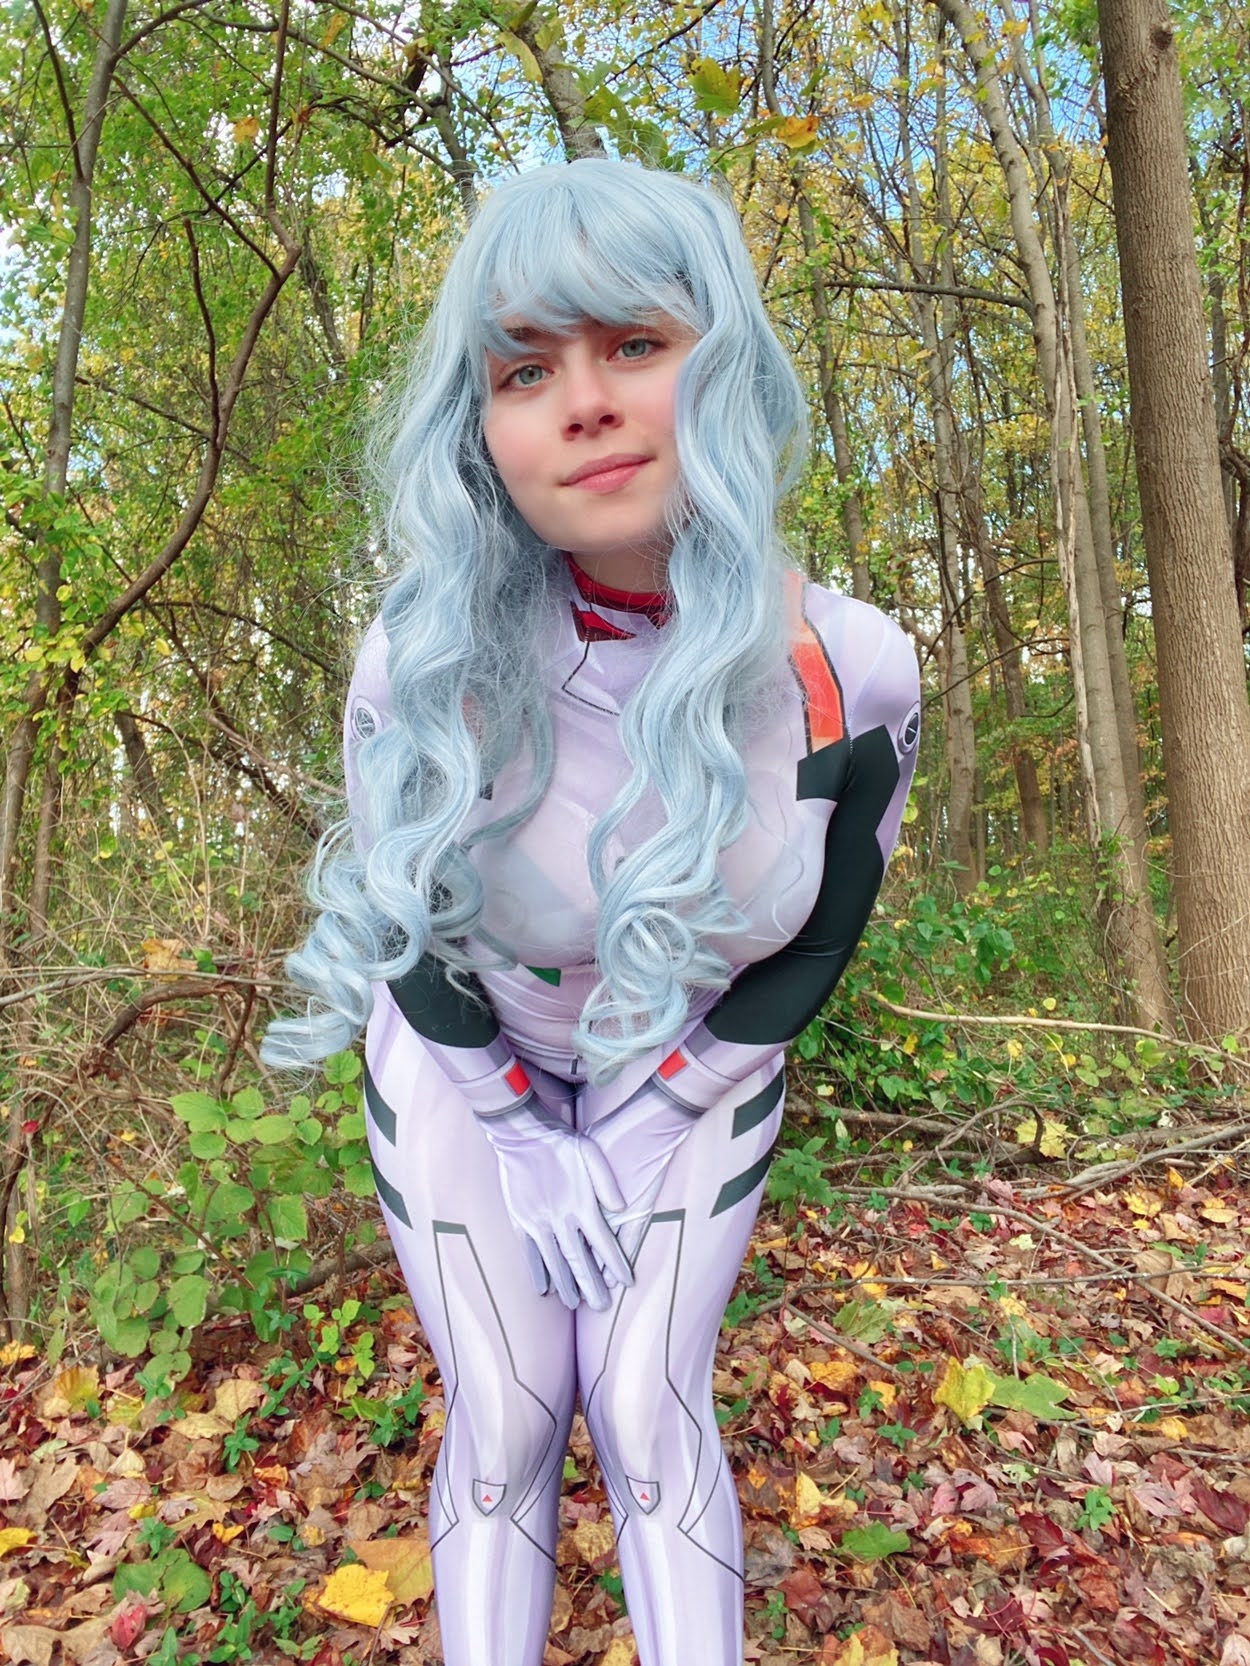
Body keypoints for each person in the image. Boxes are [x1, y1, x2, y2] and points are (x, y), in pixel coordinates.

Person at [263, 157, 920, 1666]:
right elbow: (403, 926)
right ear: (479, 428)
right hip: (466, 1046)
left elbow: (825, 932)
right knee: (506, 1410)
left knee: (642, 1402)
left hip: (691, 1049)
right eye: (523, 370)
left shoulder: (853, 667)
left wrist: (651, 1112)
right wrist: (519, 1135)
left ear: (723, 360)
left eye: (633, 343)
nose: (583, 404)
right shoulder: (421, 659)